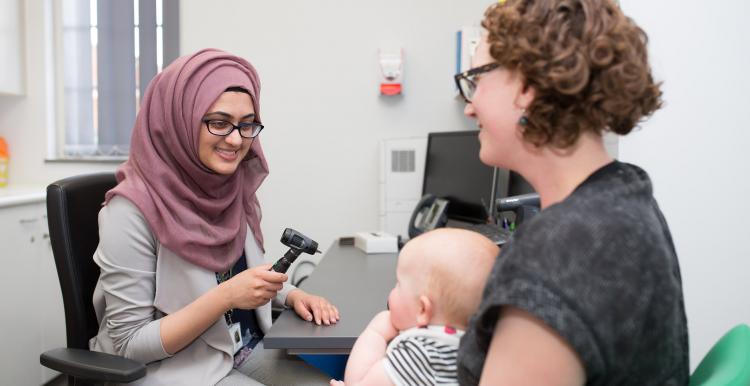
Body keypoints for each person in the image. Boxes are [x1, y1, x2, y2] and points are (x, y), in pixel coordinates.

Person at [453, 1, 689, 385]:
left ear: (527, 85)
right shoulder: (627, 193)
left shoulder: (559, 249)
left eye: (476, 80)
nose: (470, 105)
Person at [90, 48, 340, 386]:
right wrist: (226, 298)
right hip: (180, 370)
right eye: (219, 123)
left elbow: (243, 278)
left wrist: (292, 294)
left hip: (243, 349)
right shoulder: (129, 212)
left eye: (247, 125)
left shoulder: (229, 185)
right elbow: (128, 347)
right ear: (178, 120)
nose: (236, 140)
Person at [330, 228, 498, 386]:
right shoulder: (483, 350)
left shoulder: (422, 353)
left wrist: (377, 332)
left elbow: (357, 383)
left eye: (398, 284)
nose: (392, 290)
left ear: (423, 310)